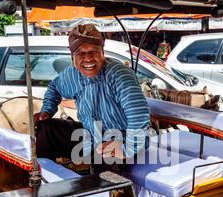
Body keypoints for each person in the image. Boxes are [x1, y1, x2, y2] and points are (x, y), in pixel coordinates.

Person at [34, 24, 150, 174]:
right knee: (47, 128)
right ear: (72, 57)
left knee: (105, 158)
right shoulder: (72, 74)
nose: (88, 58)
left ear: (102, 52)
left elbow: (139, 115)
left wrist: (126, 149)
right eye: (80, 53)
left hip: (123, 137)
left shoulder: (118, 74)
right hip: (91, 134)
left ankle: (102, 194)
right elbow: (54, 88)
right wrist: (47, 110)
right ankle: (46, 178)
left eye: (93, 52)